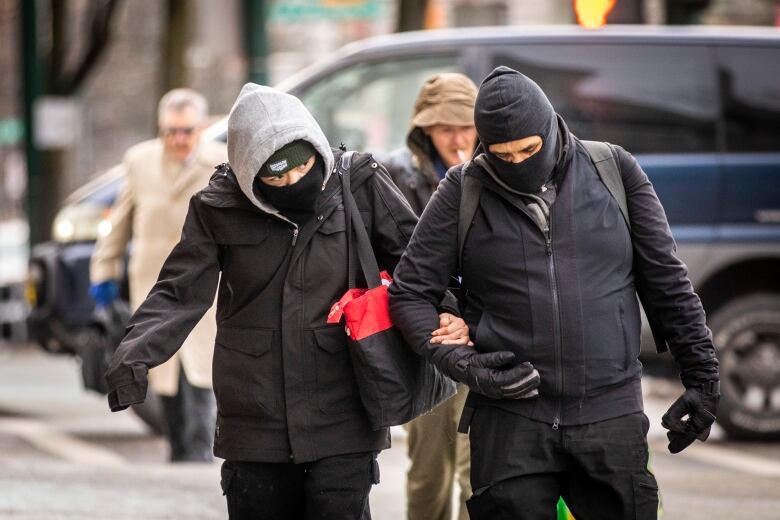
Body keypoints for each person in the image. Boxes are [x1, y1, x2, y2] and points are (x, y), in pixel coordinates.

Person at [103, 83, 471, 519]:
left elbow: (416, 263)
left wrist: (449, 310)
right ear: (248, 172)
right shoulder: (217, 207)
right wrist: (135, 353)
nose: (294, 183)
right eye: (276, 178)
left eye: (302, 168)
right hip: (255, 414)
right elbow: (179, 289)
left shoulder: (359, 183)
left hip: (343, 405)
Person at [388, 66, 720, 519]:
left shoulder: (614, 170)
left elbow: (667, 282)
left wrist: (702, 378)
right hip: (510, 419)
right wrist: (464, 365)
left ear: (550, 127)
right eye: (502, 155)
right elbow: (410, 294)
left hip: (608, 412)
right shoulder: (462, 189)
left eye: (529, 149)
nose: (517, 163)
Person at [90, 88, 225, 462]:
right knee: (161, 369)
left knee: (199, 370)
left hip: (203, 283)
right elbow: (119, 221)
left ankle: (198, 455)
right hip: (152, 281)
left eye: (186, 131)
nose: (178, 140)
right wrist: (104, 271)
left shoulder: (219, 161)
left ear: (201, 128)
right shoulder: (140, 160)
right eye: (170, 131)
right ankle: (178, 451)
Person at [384, 72, 478, 520]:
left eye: (466, 125)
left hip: (483, 340)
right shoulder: (396, 179)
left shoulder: (496, 172)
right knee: (428, 471)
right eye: (445, 128)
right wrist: (440, 315)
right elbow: (396, 267)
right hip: (425, 343)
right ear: (424, 130)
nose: (457, 138)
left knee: (478, 472)